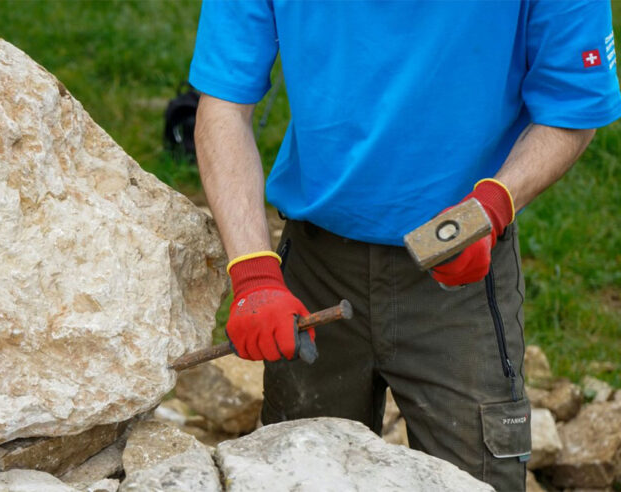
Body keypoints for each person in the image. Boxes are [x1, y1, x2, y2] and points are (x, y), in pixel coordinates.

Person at [189, 1, 621, 491]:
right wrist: (253, 272)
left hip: (460, 274)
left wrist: (491, 207)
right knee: (297, 476)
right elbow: (223, 102)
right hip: (315, 270)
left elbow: (573, 104)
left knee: (476, 481)